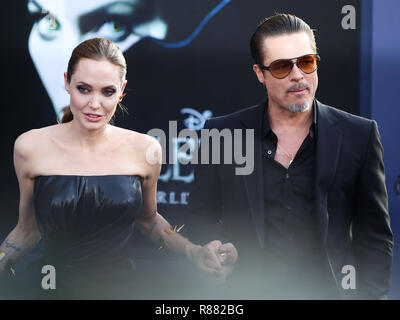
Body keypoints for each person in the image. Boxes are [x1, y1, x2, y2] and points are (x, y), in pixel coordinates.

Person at [0, 37, 237, 299]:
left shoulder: (144, 149)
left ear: (122, 90)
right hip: (51, 286)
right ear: (67, 82)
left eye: (107, 92)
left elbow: (148, 219)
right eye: (84, 89)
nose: (94, 104)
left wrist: (193, 251)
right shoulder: (31, 146)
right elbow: (28, 229)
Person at [187, 13, 393, 299]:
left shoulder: (359, 135)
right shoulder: (221, 133)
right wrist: (213, 249)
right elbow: (200, 218)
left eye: (306, 62)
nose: (298, 75)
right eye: (283, 67)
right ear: (260, 73)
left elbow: (375, 237)